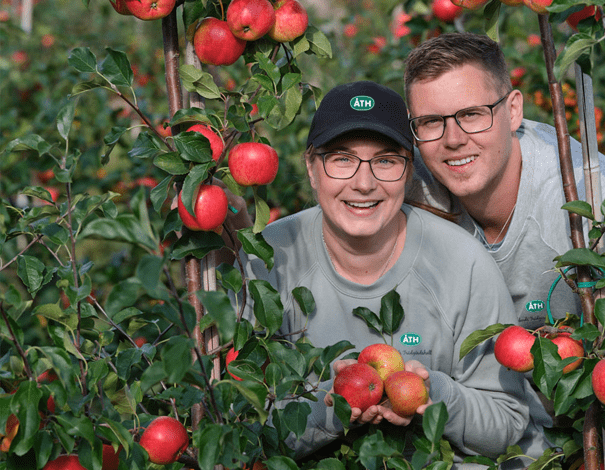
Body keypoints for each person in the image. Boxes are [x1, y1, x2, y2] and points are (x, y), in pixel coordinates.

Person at [225, 80, 534, 464]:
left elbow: (506, 423)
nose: (364, 183)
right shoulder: (271, 261)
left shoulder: (461, 263)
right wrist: (331, 407)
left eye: (385, 161)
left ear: (408, 171)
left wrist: (435, 392)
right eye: (342, 159)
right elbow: (235, 427)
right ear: (311, 168)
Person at [403, 32, 605, 330]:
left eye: (472, 114)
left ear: (513, 112)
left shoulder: (593, 195)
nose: (453, 139)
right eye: (431, 121)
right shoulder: (404, 183)